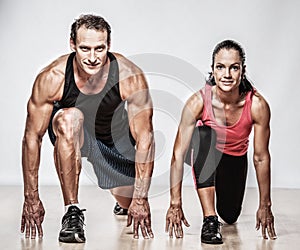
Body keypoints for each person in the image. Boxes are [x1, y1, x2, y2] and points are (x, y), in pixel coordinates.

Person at [20, 14, 155, 243]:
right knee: (69, 118)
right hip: (72, 135)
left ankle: (121, 200)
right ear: (72, 45)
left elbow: (145, 139)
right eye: (85, 48)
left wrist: (140, 198)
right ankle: (72, 212)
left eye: (99, 49)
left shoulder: (128, 75)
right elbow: (32, 137)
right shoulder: (52, 78)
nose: (92, 57)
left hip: (111, 139)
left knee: (128, 200)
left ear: (109, 46)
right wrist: (31, 197)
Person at [165, 39, 277, 244]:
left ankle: (221, 213)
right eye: (221, 67)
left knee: (230, 215)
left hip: (234, 160)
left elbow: (261, 157)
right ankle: (209, 220)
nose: (227, 75)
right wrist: (175, 202)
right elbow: (178, 154)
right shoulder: (198, 101)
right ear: (213, 70)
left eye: (234, 68)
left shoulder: (256, 104)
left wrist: (265, 204)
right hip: (205, 154)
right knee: (204, 135)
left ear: (242, 71)